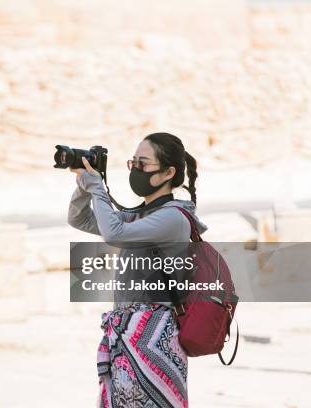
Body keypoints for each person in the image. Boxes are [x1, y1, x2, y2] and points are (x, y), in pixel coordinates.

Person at [68, 132, 206, 408]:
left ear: (168, 172)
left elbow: (113, 233)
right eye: (133, 163)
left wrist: (98, 189)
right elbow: (79, 218)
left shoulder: (172, 218)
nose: (136, 170)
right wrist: (85, 183)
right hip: (128, 337)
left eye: (143, 164)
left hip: (154, 341)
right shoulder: (143, 215)